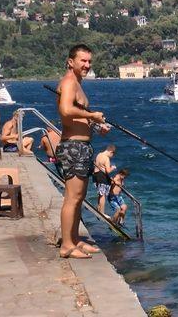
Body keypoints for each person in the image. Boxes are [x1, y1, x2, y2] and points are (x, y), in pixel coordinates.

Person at [55, 44, 110, 259]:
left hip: (82, 147)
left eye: (89, 61)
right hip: (73, 147)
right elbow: (66, 110)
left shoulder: (77, 83)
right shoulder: (69, 82)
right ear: (71, 62)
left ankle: (75, 239)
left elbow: (77, 116)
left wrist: (96, 126)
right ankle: (67, 245)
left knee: (79, 197)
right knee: (72, 197)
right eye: (83, 61)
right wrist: (92, 116)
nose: (87, 65)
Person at [93, 144, 117, 214]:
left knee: (100, 194)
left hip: (96, 175)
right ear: (111, 151)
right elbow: (108, 171)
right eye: (112, 154)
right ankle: (102, 212)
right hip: (102, 177)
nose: (112, 156)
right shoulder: (106, 158)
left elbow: (96, 164)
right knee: (103, 195)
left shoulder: (99, 154)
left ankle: (98, 208)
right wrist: (112, 167)